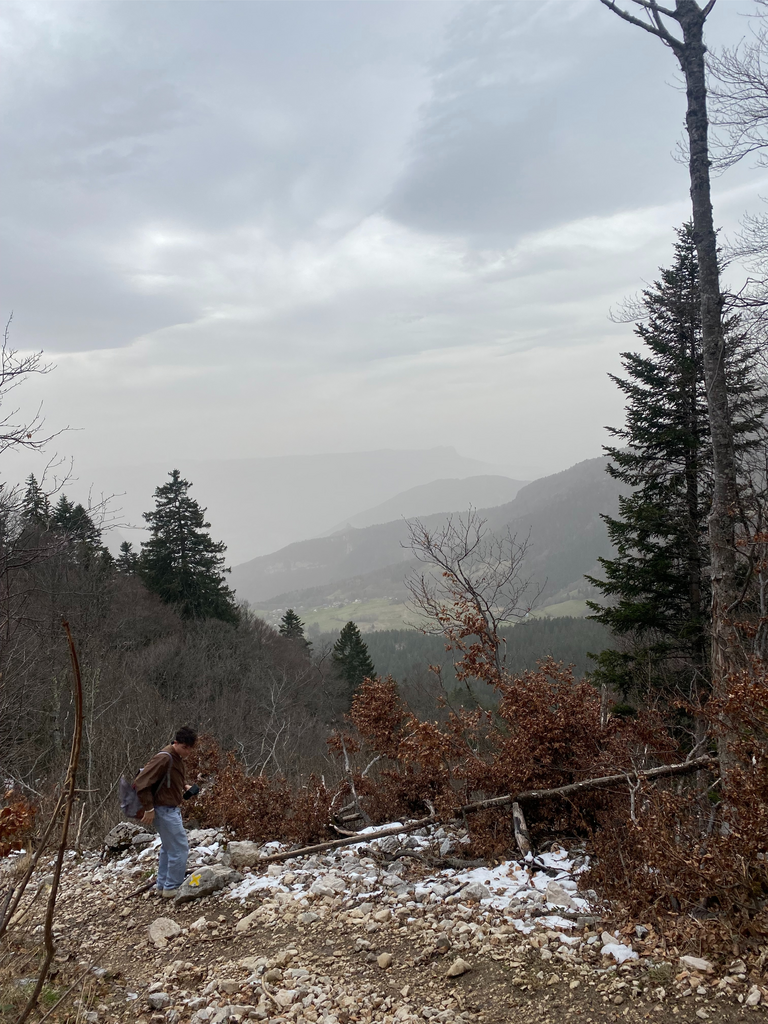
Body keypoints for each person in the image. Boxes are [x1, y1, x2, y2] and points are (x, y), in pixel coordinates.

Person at [133, 725, 197, 898]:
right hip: (164, 810)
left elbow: (167, 779)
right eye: (185, 748)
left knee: (168, 848)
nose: (188, 752)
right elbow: (141, 782)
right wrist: (149, 808)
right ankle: (172, 887)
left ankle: (163, 885)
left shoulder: (175, 758)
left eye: (190, 749)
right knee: (180, 848)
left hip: (168, 807)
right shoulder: (165, 757)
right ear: (176, 743)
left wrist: (183, 786)